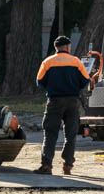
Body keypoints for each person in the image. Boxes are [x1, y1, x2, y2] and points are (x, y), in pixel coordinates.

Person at [33, 35, 90, 175]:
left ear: (56, 47)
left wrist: (52, 87)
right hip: (72, 101)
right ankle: (68, 164)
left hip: (54, 101)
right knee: (70, 134)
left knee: (50, 133)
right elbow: (85, 80)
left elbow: (39, 82)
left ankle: (46, 165)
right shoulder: (76, 62)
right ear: (67, 47)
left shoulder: (47, 62)